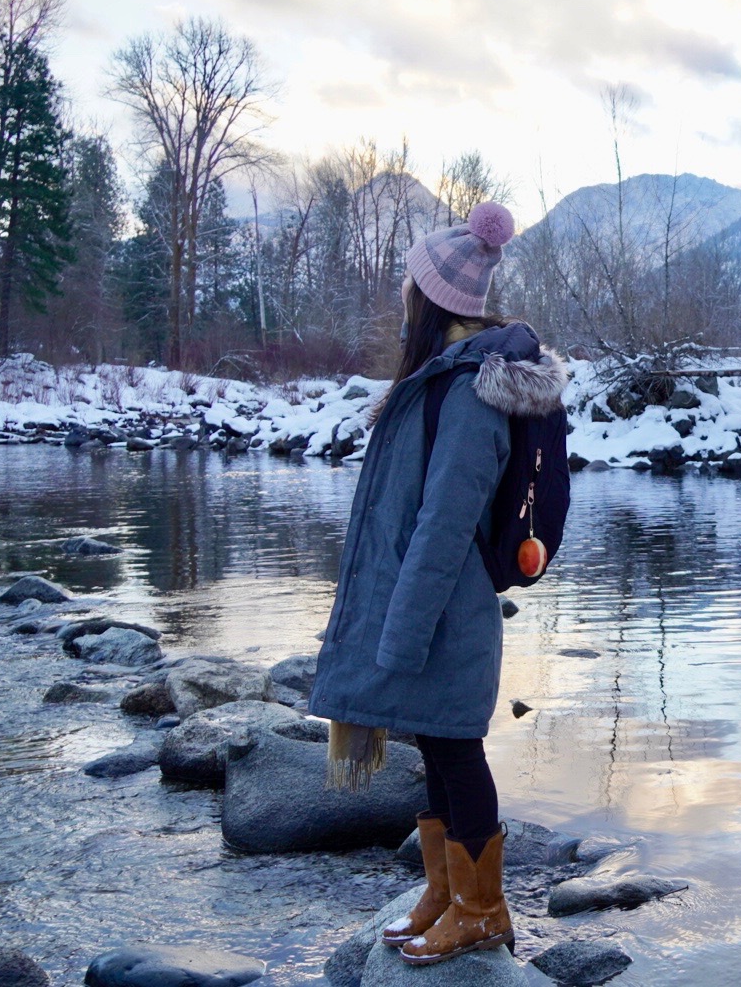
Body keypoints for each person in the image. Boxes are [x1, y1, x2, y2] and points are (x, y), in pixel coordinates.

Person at [306, 201, 567, 965]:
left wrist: (402, 634)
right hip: (427, 609)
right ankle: (446, 892)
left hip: (446, 614)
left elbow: (445, 525)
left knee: (456, 752)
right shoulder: (439, 381)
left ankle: (483, 910)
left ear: (428, 298)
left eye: (408, 286)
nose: (401, 296)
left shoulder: (468, 395)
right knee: (434, 746)